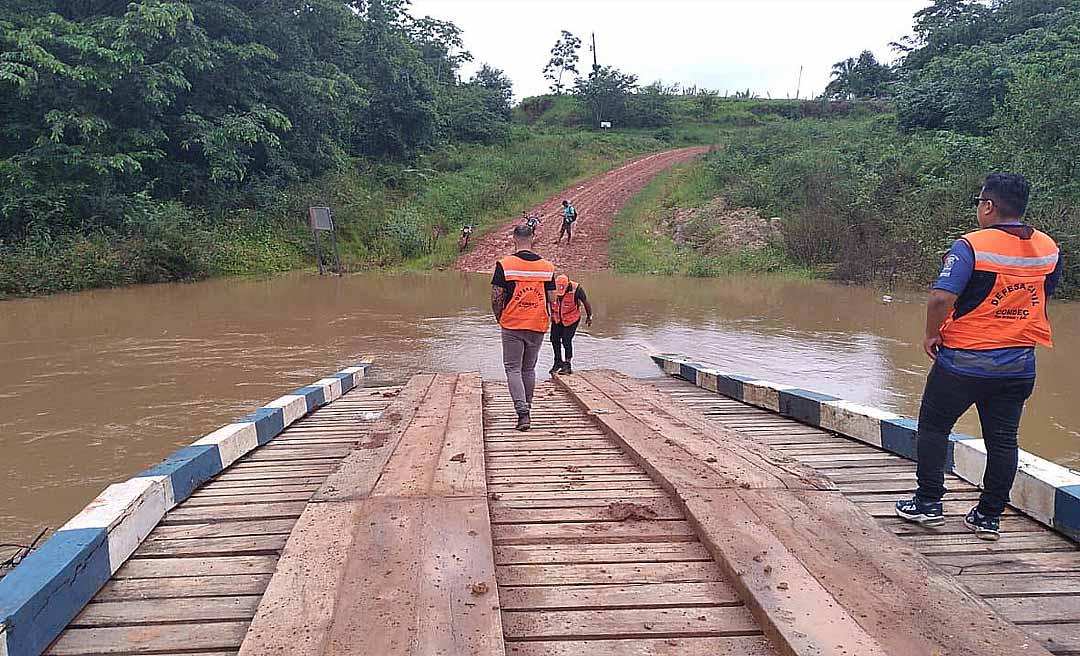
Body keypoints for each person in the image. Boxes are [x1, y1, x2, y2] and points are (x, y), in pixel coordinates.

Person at [896, 173, 1062, 541]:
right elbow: (1041, 295)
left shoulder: (972, 245)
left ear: (988, 206)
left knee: (934, 428)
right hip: (1018, 364)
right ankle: (988, 517)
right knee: (1003, 441)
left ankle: (928, 504)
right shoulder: (1049, 247)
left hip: (963, 362)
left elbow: (941, 298)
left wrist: (930, 334)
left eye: (979, 203)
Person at [491, 225, 557, 431]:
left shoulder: (505, 264)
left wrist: (499, 317)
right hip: (537, 324)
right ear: (533, 238)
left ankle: (522, 411)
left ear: (513, 239)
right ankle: (527, 407)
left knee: (513, 368)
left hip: (512, 323)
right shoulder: (547, 267)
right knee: (528, 368)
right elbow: (553, 299)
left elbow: (496, 297)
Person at [549, 274, 593, 375]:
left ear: (568, 285)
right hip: (557, 318)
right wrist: (550, 314)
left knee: (566, 340)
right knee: (554, 339)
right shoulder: (552, 288)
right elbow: (547, 301)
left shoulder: (577, 289)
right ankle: (558, 361)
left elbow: (586, 302)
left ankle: (567, 364)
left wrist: (589, 316)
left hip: (571, 319)